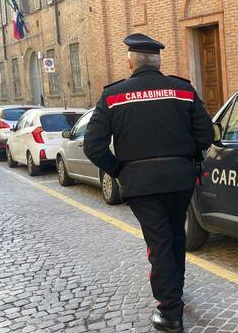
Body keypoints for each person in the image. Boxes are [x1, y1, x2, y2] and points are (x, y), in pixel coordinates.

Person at [84, 33, 214, 333]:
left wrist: (118, 169)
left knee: (160, 244)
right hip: (180, 180)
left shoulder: (113, 96)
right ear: (158, 62)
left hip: (140, 185)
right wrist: (188, 160)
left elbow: (93, 146)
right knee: (175, 237)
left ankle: (170, 313)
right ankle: (174, 294)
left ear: (130, 63)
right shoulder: (182, 89)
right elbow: (206, 136)